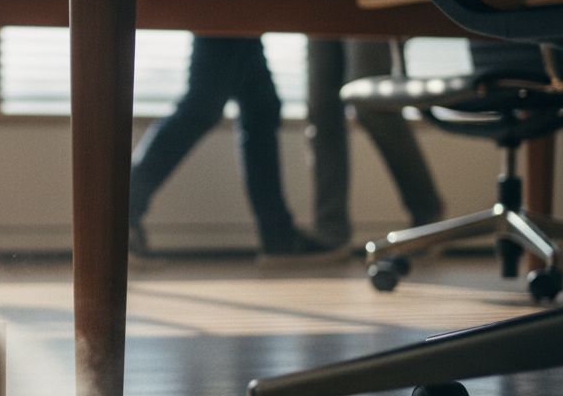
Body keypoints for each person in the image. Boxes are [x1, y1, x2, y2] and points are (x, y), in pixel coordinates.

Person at [129, 35, 341, 262]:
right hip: (225, 5)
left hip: (241, 14)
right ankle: (120, 211)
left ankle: (279, 236)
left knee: (259, 107)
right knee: (204, 104)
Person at [305, 38, 444, 250]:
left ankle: (427, 213)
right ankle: (330, 231)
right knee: (321, 112)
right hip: (316, 7)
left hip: (364, 7)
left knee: (371, 104)